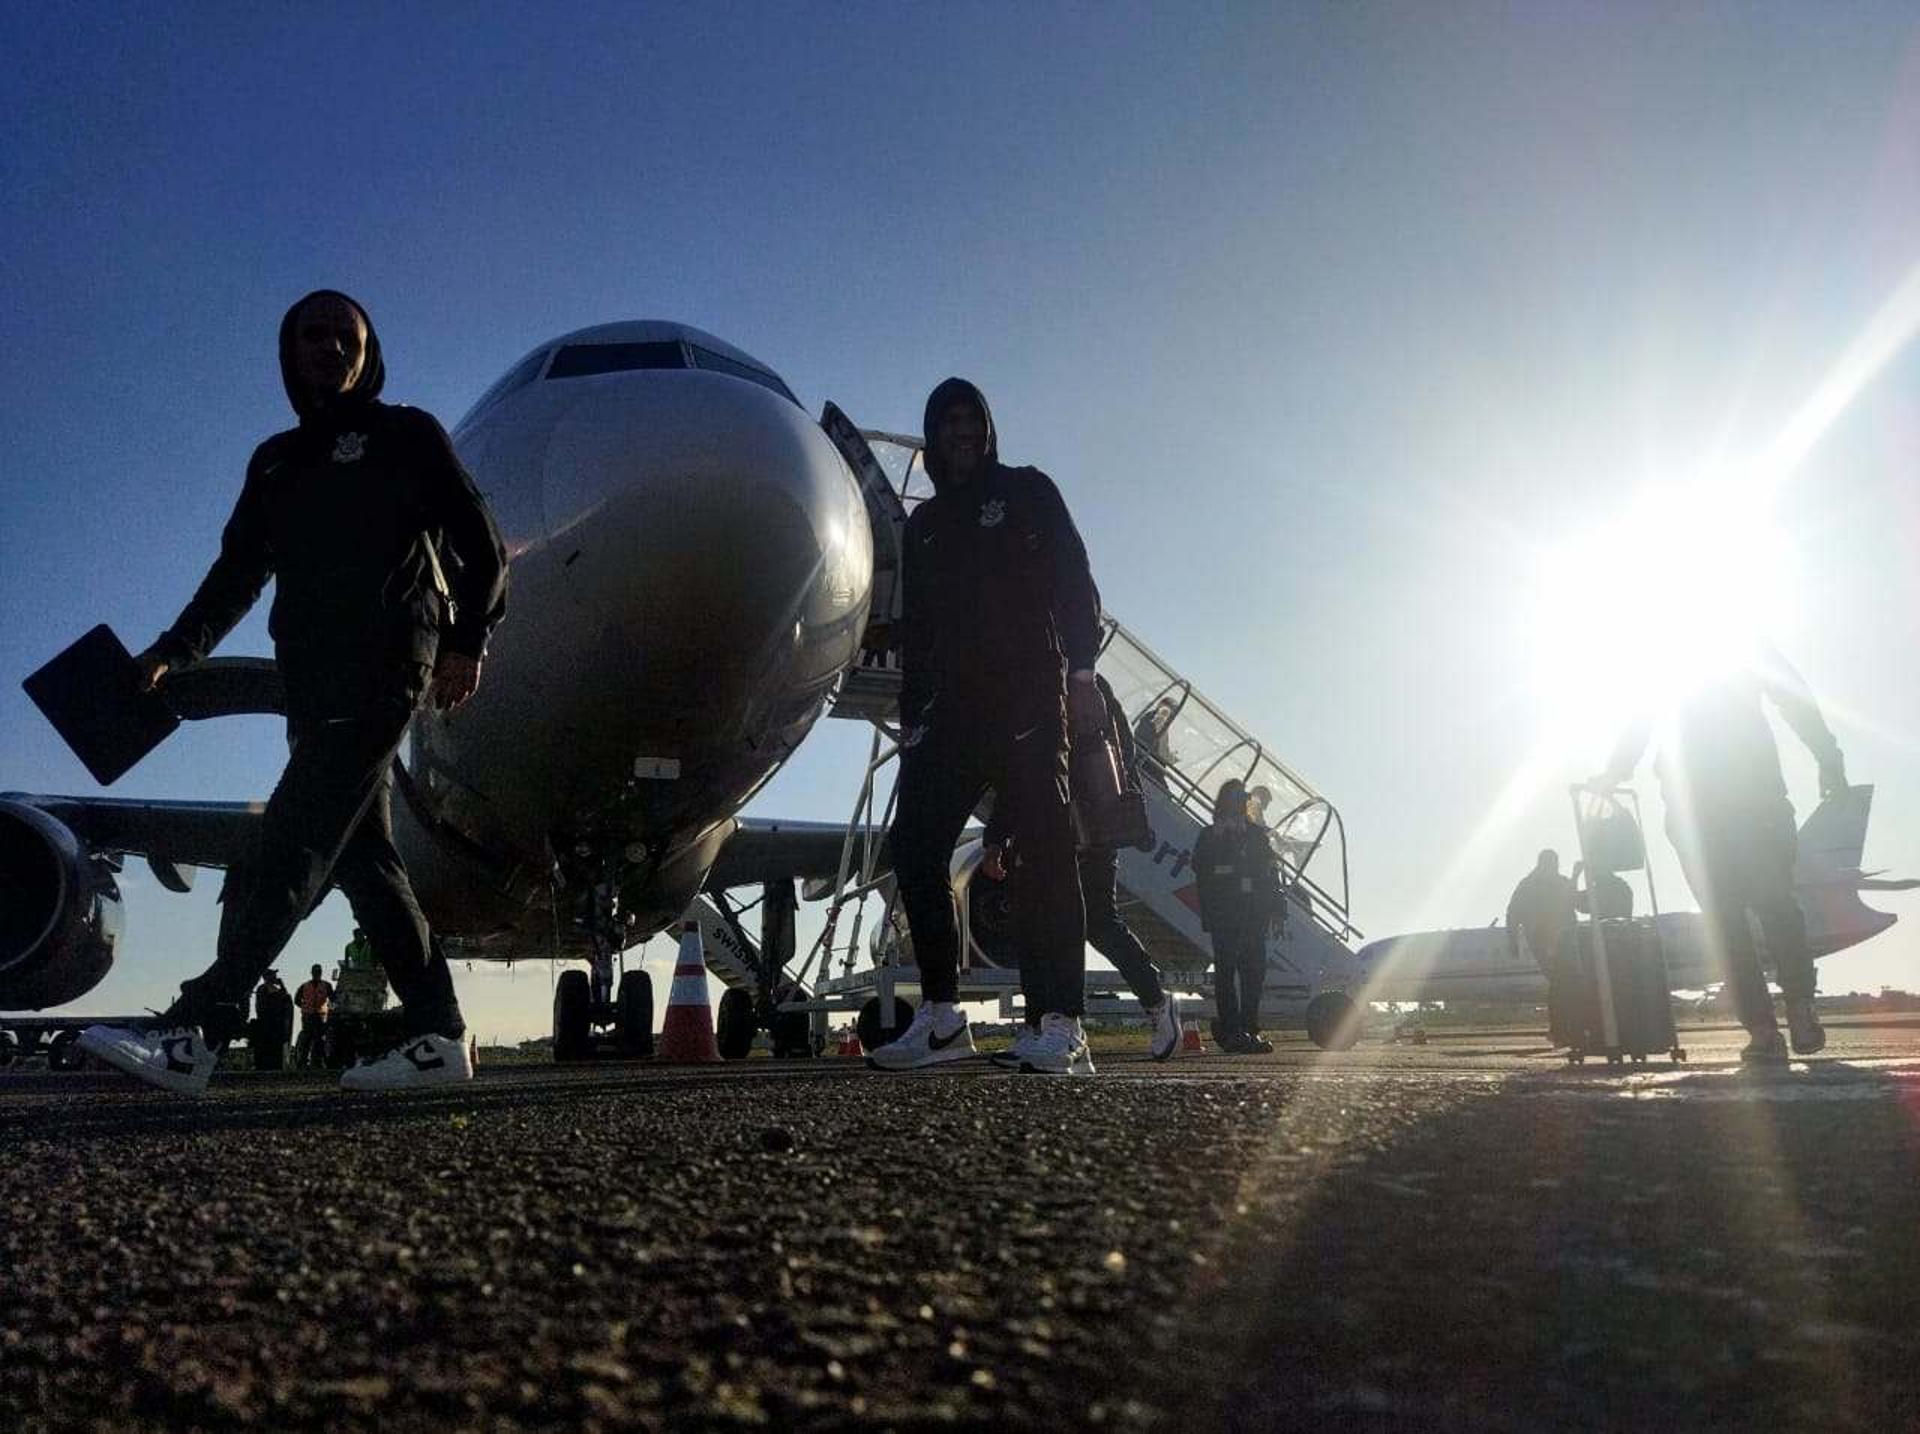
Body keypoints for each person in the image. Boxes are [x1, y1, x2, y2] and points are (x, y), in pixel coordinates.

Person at [78, 290, 509, 1095]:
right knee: (365, 860)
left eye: (346, 337)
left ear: (368, 351)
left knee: (292, 839)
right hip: (309, 678)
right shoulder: (276, 461)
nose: (329, 349)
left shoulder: (405, 435)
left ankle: (195, 1029)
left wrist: (467, 640)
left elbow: (483, 546)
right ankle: (438, 1036)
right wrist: (175, 650)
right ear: (289, 352)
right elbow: (238, 572)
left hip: (386, 662)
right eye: (313, 336)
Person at [871, 377, 1104, 1076]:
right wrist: (913, 720)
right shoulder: (926, 527)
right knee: (913, 844)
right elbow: (923, 629)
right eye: (948, 424)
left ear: (988, 429)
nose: (961, 434)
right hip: (952, 714)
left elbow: (1073, 576)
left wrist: (1083, 670)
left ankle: (1057, 1022)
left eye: (971, 421)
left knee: (1046, 852)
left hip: (1029, 697)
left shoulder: (1028, 491)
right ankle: (942, 1019)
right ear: (935, 437)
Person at [1597, 643, 1848, 1062]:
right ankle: (1769, 1024)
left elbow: (1794, 700)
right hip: (1707, 811)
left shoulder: (1734, 648)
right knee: (1743, 916)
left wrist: (1829, 757)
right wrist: (1616, 769)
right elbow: (1641, 717)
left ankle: (1787, 1015)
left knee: (1757, 912)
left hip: (1740, 804)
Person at [981, 674, 1184, 1065]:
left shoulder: (1085, 682)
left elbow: (1120, 751)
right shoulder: (1021, 687)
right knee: (1032, 926)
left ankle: (1156, 1002)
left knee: (1097, 922)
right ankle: (1039, 1028)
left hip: (1090, 822)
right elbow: (1015, 769)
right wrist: (996, 836)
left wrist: (1125, 812)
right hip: (1038, 822)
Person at [1193, 778, 1284, 1053]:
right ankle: (1232, 1029)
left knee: (1253, 971)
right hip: (1225, 913)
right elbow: (1200, 868)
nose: (1242, 801)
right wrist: (1225, 845)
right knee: (1226, 970)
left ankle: (1248, 1028)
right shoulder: (1210, 835)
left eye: (1243, 797)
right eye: (1237, 797)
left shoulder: (1256, 835)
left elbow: (1271, 874)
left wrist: (1278, 909)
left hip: (1253, 912)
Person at [1506, 850, 1578, 977]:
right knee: (1559, 974)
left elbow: (1573, 900)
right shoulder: (1529, 885)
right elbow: (1513, 913)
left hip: (1561, 935)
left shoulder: (1557, 882)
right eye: (1552, 863)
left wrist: (1575, 876)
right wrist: (1513, 940)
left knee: (1562, 975)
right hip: (1543, 936)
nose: (1555, 866)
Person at [251, 969, 294, 1071]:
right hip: (268, 1024)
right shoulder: (263, 989)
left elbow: (286, 999)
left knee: (276, 1048)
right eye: (273, 975)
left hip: (277, 1025)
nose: (275, 977)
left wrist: (282, 985)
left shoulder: (275, 989)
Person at [293, 963, 334, 1069]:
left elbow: (333, 999)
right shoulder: (305, 986)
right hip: (308, 1016)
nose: (317, 974)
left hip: (320, 1016)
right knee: (307, 1039)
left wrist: (330, 1012)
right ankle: (303, 1062)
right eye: (316, 972)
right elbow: (296, 1000)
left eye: (318, 972)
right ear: (312, 973)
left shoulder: (326, 986)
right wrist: (304, 1007)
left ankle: (317, 1062)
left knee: (319, 1039)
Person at [1133, 698, 1179, 785]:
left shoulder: (1147, 718)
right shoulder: (1159, 720)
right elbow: (1162, 753)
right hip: (1148, 771)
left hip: (1143, 764)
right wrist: (1171, 758)